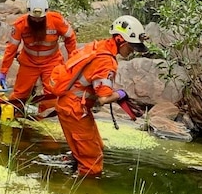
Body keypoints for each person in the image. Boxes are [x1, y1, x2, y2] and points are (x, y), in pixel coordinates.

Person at [52, 15, 148, 178]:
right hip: (75, 110)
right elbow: (103, 98)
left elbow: (94, 82)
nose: (132, 51)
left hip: (69, 106)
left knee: (97, 147)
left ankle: (70, 169)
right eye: (131, 47)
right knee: (93, 164)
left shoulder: (98, 46)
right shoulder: (106, 61)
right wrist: (120, 94)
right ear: (120, 40)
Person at [0, 0, 78, 117]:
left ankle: (45, 118)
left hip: (52, 62)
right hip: (29, 62)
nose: (36, 20)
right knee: (20, 94)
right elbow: (11, 48)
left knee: (52, 93)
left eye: (40, 18)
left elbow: (70, 38)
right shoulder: (20, 24)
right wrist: (3, 71)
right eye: (34, 18)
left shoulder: (56, 20)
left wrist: (72, 61)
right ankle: (15, 115)